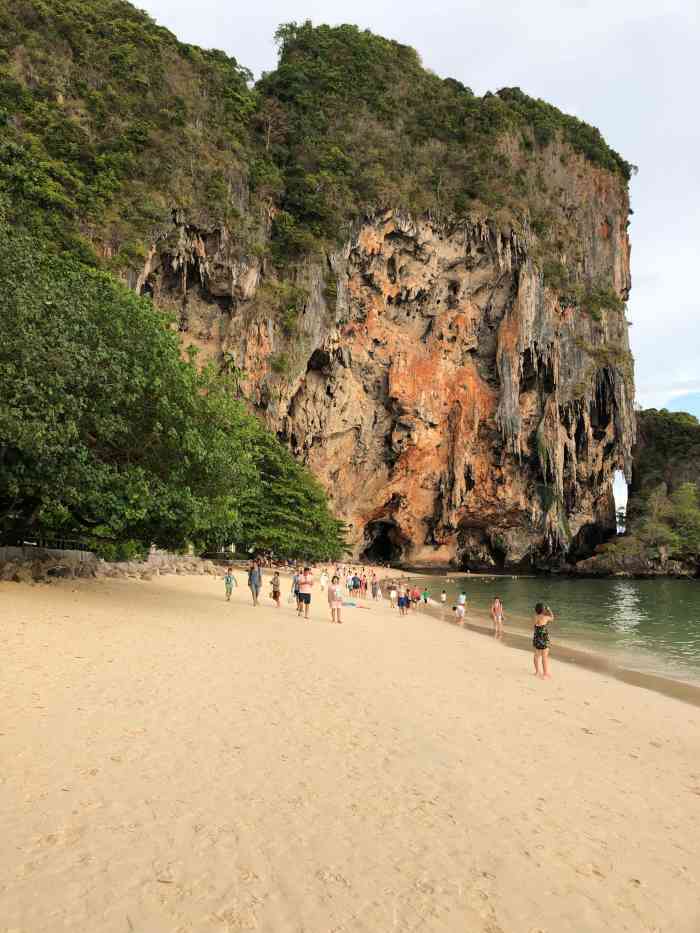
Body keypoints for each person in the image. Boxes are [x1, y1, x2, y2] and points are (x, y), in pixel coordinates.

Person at [533, 602, 554, 678]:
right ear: (543, 610)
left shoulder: (535, 617)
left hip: (536, 637)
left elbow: (536, 625)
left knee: (536, 655)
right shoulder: (545, 617)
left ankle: (537, 672)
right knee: (544, 656)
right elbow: (552, 618)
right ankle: (545, 673)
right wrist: (549, 610)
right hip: (543, 638)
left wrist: (542, 611)